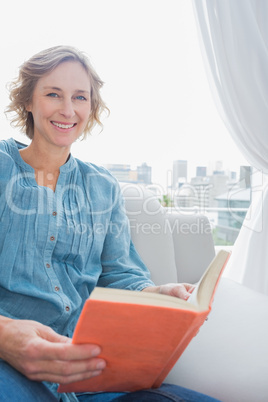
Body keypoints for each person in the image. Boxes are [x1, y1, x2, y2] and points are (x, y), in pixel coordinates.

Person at [0, 45, 220, 402]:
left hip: (90, 373)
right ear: (28, 100)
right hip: (9, 365)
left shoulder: (102, 187)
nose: (68, 110)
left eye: (80, 97)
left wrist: (159, 295)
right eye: (53, 94)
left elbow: (121, 276)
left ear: (91, 107)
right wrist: (5, 335)